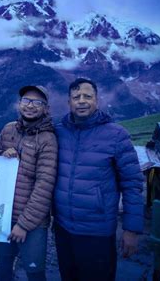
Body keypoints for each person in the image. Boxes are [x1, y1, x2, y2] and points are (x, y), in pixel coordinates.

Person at [53, 77, 144, 281]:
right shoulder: (58, 132)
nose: (82, 101)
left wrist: (131, 229)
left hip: (97, 231)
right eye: (76, 97)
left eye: (88, 96)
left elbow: (132, 184)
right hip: (62, 228)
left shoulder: (116, 135)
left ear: (97, 100)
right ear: (69, 102)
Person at [0, 85, 58, 281]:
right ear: (19, 104)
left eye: (37, 103)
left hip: (33, 222)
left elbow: (44, 185)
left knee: (34, 272)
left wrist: (24, 224)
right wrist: (2, 154)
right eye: (26, 101)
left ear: (45, 108)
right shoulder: (8, 129)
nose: (30, 106)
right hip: (3, 216)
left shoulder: (48, 139)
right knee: (2, 269)